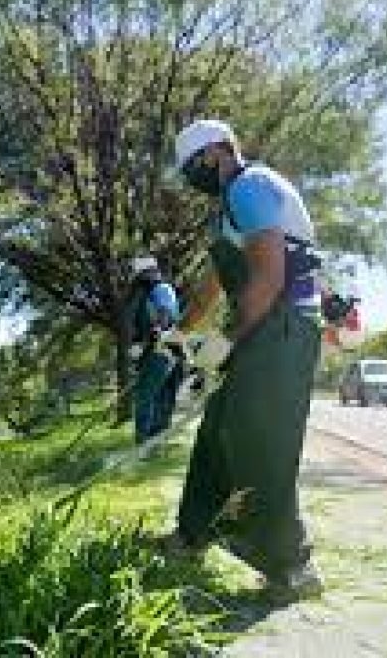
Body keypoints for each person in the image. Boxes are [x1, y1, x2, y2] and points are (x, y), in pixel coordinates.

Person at [163, 119, 325, 602]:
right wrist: (178, 334)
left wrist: (226, 344)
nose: (192, 177)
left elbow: (270, 277)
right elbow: (214, 287)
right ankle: (190, 537)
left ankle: (291, 570)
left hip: (282, 327)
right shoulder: (229, 208)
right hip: (266, 327)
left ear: (215, 152)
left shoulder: (250, 187)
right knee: (217, 432)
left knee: (261, 447)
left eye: (194, 166)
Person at [126, 257, 186, 445]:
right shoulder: (150, 293)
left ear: (149, 273)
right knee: (161, 396)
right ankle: (156, 441)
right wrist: (137, 346)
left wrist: (155, 333)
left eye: (140, 277)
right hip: (163, 349)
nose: (139, 281)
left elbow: (164, 314)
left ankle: (144, 441)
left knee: (145, 395)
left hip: (162, 349)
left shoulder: (161, 289)